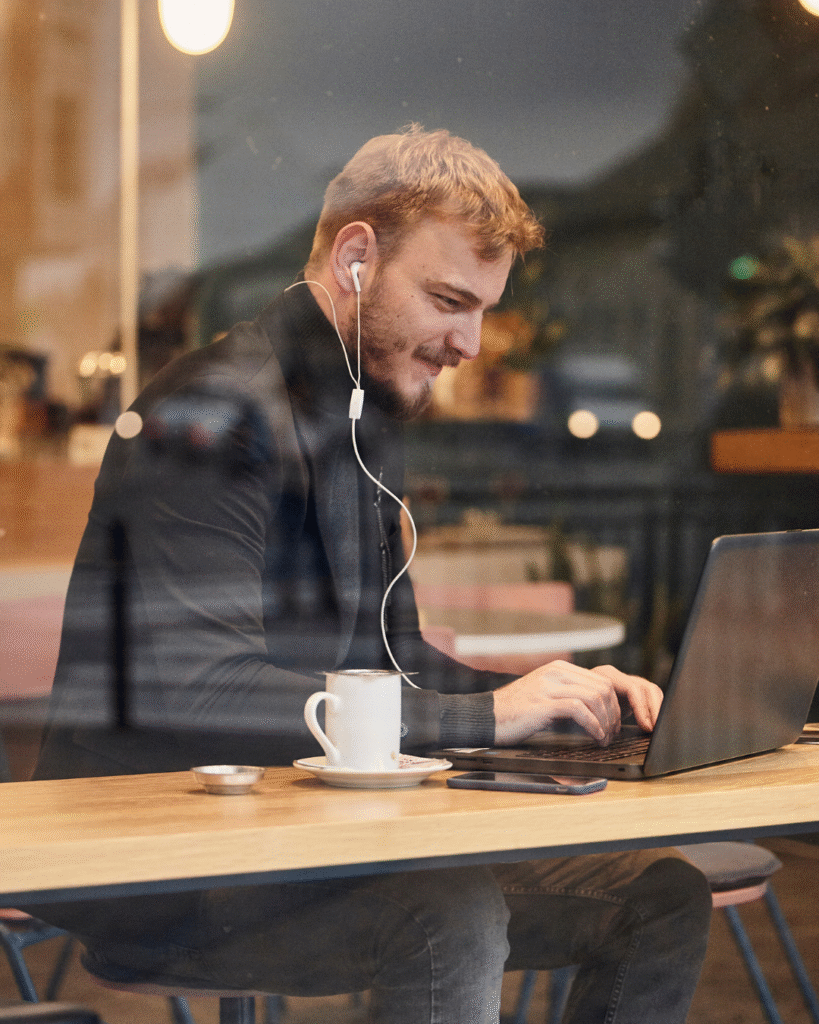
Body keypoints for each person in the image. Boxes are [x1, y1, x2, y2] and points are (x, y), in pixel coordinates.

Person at [29, 125, 712, 1024]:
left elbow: (393, 667)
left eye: (483, 310)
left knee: (660, 893)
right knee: (448, 910)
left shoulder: (355, 410)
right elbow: (194, 686)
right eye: (446, 300)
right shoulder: (210, 412)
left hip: (316, 838)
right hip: (173, 870)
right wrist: (486, 717)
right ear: (356, 257)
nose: (469, 343)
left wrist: (558, 703)